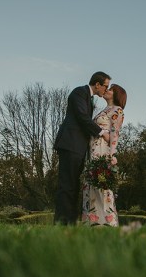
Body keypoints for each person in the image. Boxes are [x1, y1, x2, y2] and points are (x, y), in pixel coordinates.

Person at [54, 72, 111, 225]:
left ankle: (70, 224)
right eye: (106, 86)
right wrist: (102, 132)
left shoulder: (89, 98)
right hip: (70, 144)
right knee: (67, 186)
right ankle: (61, 224)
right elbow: (82, 117)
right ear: (97, 84)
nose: (106, 90)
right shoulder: (79, 92)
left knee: (73, 185)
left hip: (78, 147)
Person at [81, 84, 127, 227]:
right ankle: (90, 223)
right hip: (92, 150)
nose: (107, 90)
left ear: (117, 94)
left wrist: (111, 155)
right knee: (90, 184)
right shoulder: (104, 110)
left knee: (101, 185)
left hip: (102, 151)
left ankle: (107, 223)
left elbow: (115, 133)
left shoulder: (117, 110)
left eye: (111, 89)